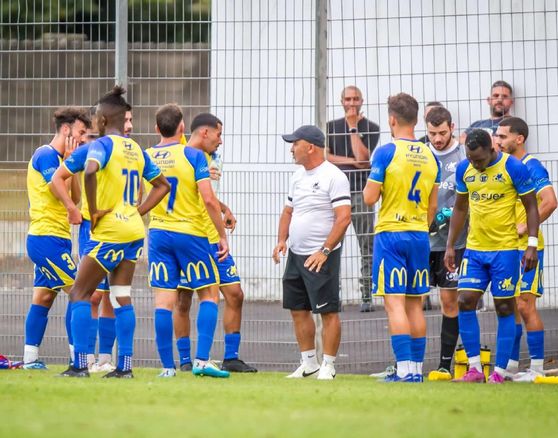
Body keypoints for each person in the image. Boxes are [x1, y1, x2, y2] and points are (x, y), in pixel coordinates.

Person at [60, 86, 170, 378]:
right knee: (121, 296)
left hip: (108, 231)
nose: (94, 124)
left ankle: (80, 364)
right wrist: (139, 211)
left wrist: (93, 210)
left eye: (96, 119)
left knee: (79, 294)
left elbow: (91, 170)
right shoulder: (136, 149)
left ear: (104, 121)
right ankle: (125, 367)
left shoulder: (102, 145)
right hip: (134, 232)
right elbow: (163, 186)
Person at [445, 129, 539, 384]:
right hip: (475, 250)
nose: (475, 164)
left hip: (505, 250)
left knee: (505, 307)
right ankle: (475, 369)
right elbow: (460, 207)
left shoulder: (514, 168)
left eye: (479, 159)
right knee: (464, 301)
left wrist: (531, 244)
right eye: (471, 158)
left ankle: (498, 373)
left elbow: (532, 206)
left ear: (491, 150)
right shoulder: (465, 169)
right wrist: (451, 245)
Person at [146, 107, 231, 378]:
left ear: (157, 129)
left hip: (158, 233)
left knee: (164, 301)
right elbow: (208, 199)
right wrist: (221, 234)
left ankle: (167, 367)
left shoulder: (147, 155)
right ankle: (202, 361)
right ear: (182, 128)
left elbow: (142, 196)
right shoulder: (193, 155)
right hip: (190, 233)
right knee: (209, 293)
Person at [363, 93, 440, 382]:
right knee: (414, 303)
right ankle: (417, 371)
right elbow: (432, 206)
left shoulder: (386, 152)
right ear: (418, 120)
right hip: (420, 235)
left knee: (394, 303)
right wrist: (420, 223)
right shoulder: (430, 154)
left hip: (391, 234)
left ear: (391, 120)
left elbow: (370, 198)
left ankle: (404, 369)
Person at [172, 123, 257, 374]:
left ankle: (231, 356)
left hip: (212, 238)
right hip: (193, 237)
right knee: (184, 299)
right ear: (204, 132)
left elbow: (206, 195)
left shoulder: (212, 158)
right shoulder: (184, 155)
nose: (221, 141)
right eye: (219, 135)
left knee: (235, 294)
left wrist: (223, 208)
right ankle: (187, 360)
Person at [273, 125, 351, 380]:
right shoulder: (297, 176)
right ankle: (309, 363)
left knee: (328, 311)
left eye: (295, 143)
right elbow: (288, 211)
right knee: (298, 309)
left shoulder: (334, 176)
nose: (291, 148)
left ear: (311, 147)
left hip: (322, 256)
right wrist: (281, 240)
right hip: (296, 254)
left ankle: (328, 364)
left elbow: (343, 218)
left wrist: (324, 251)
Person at [23, 107, 91, 369]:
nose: (84, 139)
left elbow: (74, 197)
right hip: (45, 239)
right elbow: (55, 185)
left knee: (43, 298)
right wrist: (73, 209)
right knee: (79, 292)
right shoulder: (45, 154)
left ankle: (30, 359)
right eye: (81, 132)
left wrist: (71, 165)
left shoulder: (65, 160)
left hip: (58, 239)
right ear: (66, 130)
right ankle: (78, 359)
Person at [51, 110, 117, 373]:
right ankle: (87, 357)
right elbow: (68, 188)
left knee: (111, 295)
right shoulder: (89, 153)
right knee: (92, 294)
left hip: (117, 227)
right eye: (82, 134)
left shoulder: (121, 151)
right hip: (93, 227)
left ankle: (105, 358)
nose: (83, 139)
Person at [495, 117, 557, 381]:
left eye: (503, 136)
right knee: (511, 305)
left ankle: (537, 369)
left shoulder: (532, 166)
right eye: (496, 136)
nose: (498, 141)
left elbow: (550, 201)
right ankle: (510, 366)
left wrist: (527, 226)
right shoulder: (504, 166)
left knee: (526, 305)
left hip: (528, 249)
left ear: (518, 139)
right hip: (507, 247)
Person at [421, 107, 468, 381]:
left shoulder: (463, 155)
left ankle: (444, 366)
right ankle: (408, 364)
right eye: (431, 133)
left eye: (441, 133)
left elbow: (469, 195)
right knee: (412, 301)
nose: (437, 139)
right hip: (422, 241)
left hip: (454, 242)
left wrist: (446, 214)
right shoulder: (420, 153)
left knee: (450, 302)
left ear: (452, 127)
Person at [326, 86, 379, 312]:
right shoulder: (329, 127)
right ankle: (332, 295)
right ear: (341, 101)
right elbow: (325, 157)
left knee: (367, 244)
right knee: (332, 244)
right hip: (335, 195)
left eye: (356, 99)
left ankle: (366, 294)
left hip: (360, 192)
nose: (351, 103)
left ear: (362, 101)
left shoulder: (371, 128)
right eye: (347, 99)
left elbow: (364, 159)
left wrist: (352, 127)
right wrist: (352, 161)